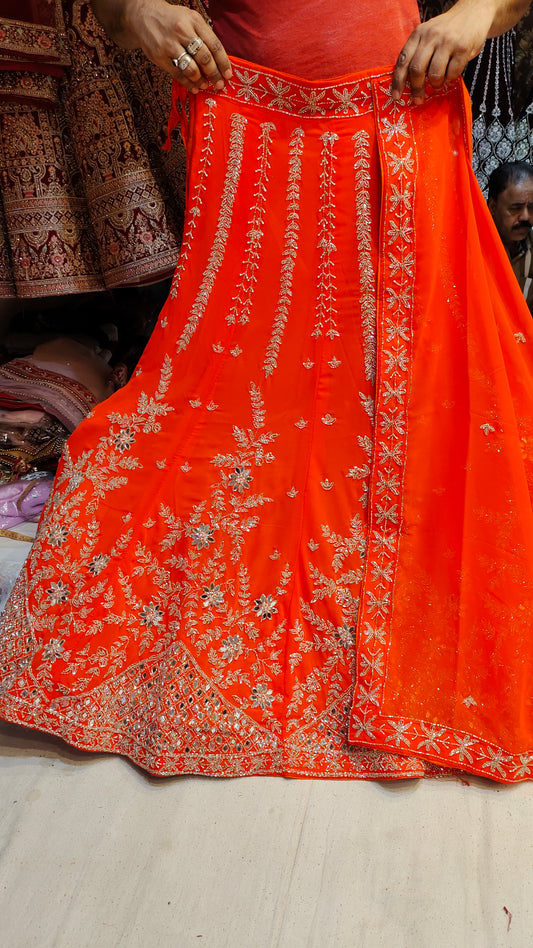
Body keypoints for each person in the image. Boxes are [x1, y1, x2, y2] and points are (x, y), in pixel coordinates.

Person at [1, 0, 533, 783]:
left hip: (398, 120)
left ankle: (393, 658)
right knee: (220, 411)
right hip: (248, 129)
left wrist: (479, 14)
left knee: (415, 410)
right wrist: (135, 9)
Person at [488, 161, 533, 313]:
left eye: (532, 208)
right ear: (493, 207)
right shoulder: (471, 249)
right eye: (516, 209)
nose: (526, 217)